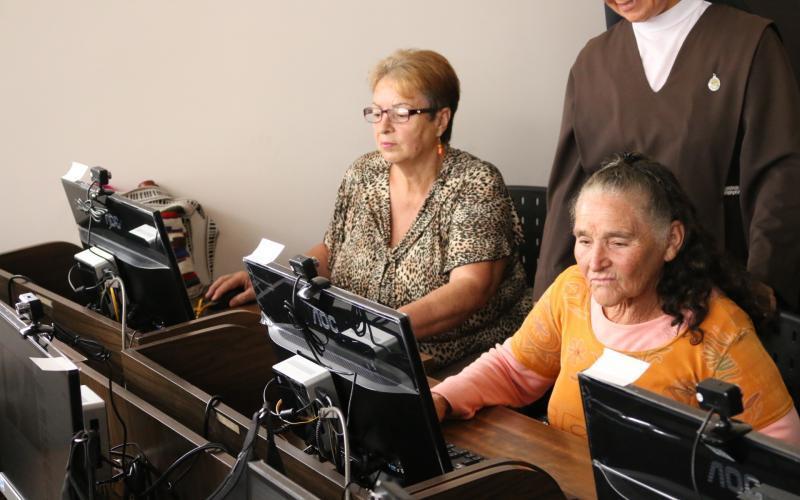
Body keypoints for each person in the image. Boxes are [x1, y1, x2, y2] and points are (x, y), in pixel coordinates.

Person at [432, 153, 800, 445]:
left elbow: (781, 451)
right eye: (584, 240)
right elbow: (513, 369)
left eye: (618, 242)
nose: (594, 262)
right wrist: (442, 399)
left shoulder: (720, 332)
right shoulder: (573, 291)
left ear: (671, 241)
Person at [207, 49, 531, 367]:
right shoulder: (363, 173)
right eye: (377, 112)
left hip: (460, 363)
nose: (383, 126)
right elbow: (331, 251)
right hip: (363, 354)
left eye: (401, 113)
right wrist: (278, 284)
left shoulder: (475, 183)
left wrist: (377, 333)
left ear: (441, 120)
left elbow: (470, 288)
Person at [533, 0, 800, 312]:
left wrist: (762, 284)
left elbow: (779, 175)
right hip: (619, 302)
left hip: (717, 290)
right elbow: (570, 191)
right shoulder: (592, 62)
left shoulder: (748, 42)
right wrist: (546, 302)